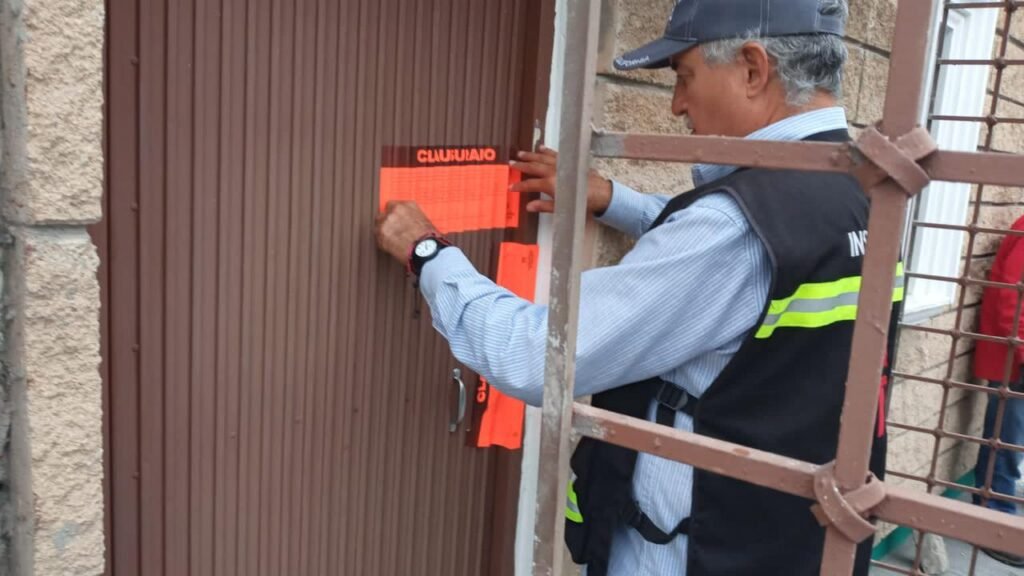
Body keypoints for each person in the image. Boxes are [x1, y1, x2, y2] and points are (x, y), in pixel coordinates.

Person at [375, 0, 898, 574]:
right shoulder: (862, 191)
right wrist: (613, 200)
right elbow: (736, 273)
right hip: (793, 543)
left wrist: (428, 254)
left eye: (684, 76)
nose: (677, 105)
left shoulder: (731, 228)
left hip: (691, 556)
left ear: (753, 69)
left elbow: (535, 358)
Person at [971, 213, 1024, 567]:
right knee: (1006, 438)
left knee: (1012, 437)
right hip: (1014, 359)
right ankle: (993, 518)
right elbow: (1012, 296)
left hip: (1017, 354)